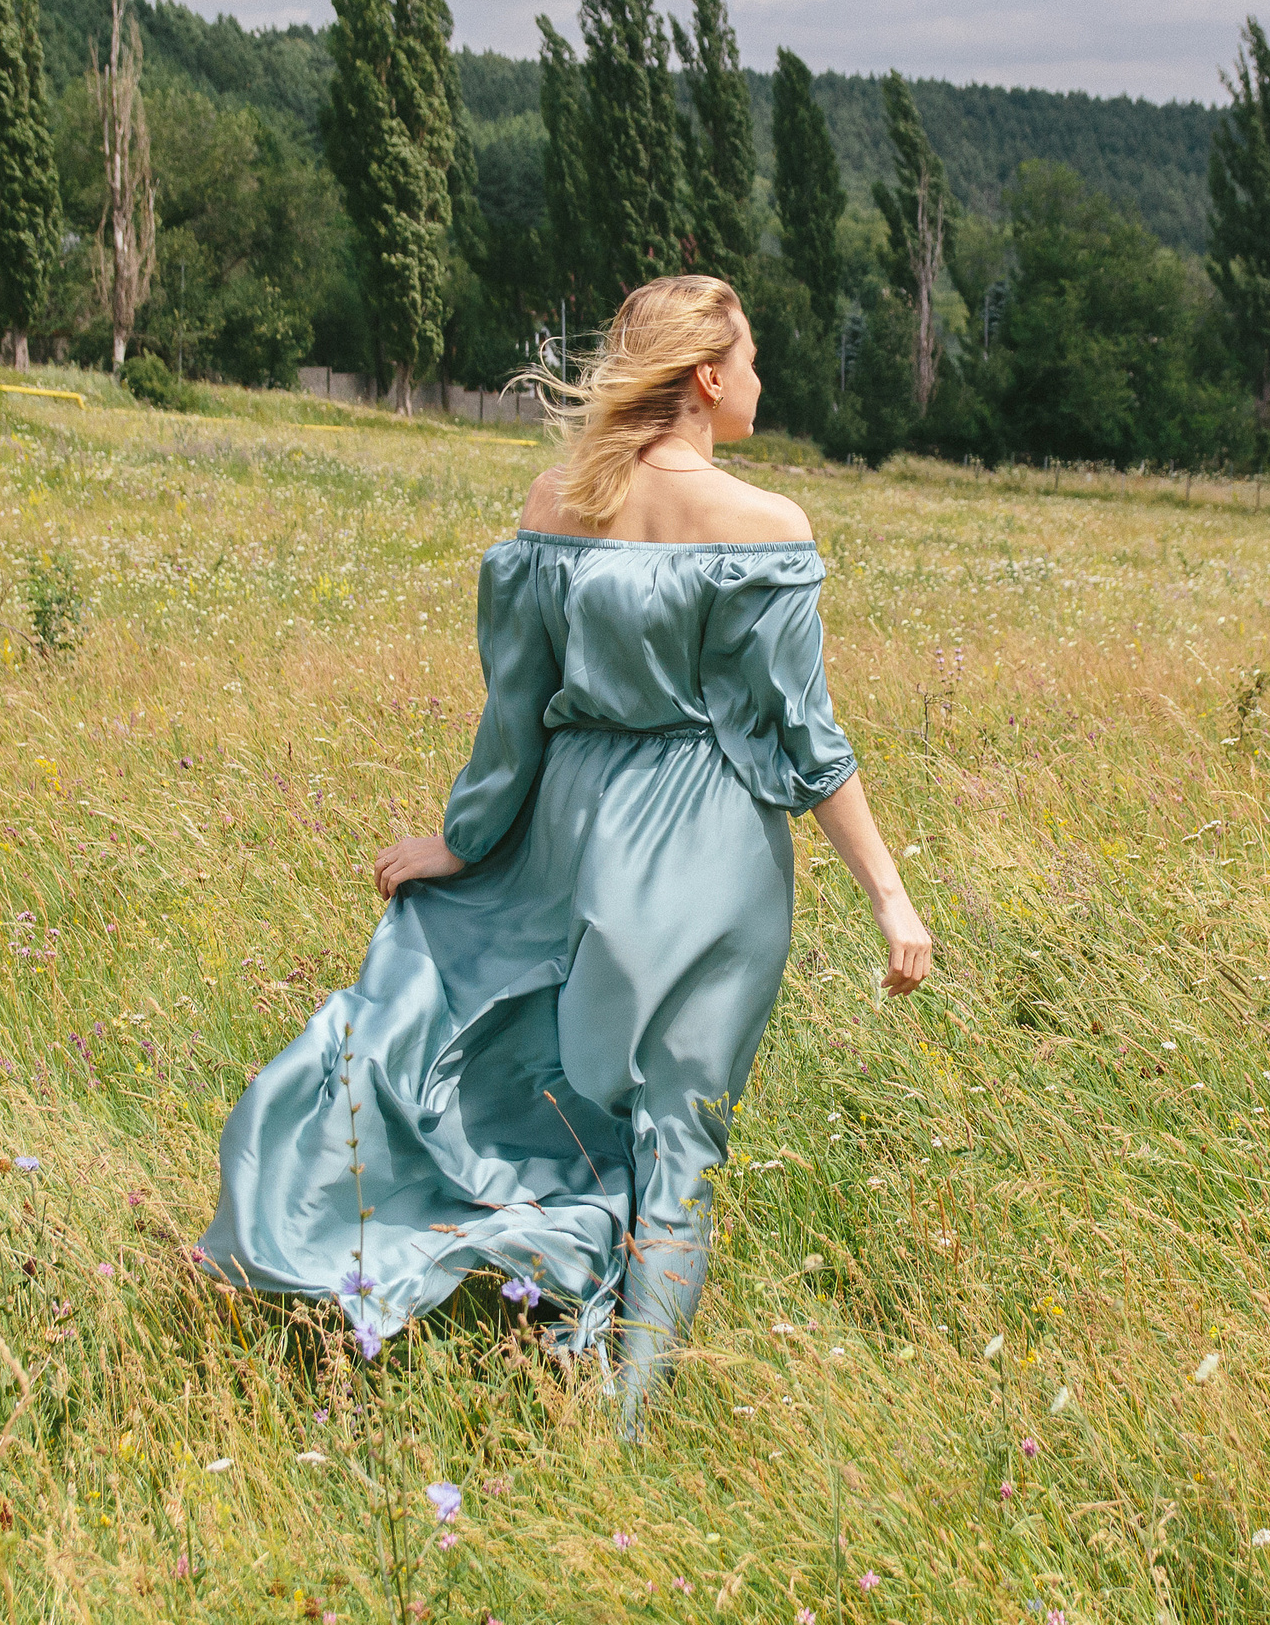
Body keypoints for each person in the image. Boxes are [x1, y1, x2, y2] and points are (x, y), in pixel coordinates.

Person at [197, 274, 932, 1435]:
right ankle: (621, 1422)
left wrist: (462, 842)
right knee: (676, 1131)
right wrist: (892, 900)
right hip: (711, 847)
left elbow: (515, 714)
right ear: (705, 377)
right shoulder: (765, 528)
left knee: (552, 1100)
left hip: (571, 833)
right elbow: (809, 742)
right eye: (748, 360)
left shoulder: (557, 502)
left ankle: (535, 1315)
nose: (759, 380)